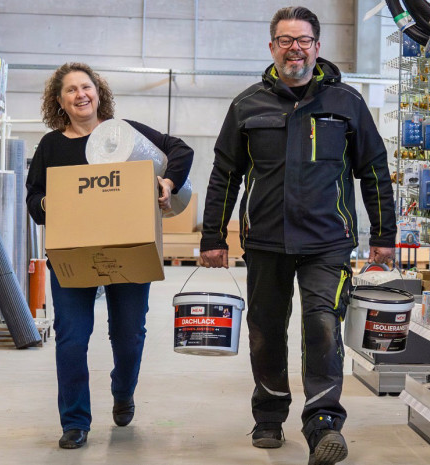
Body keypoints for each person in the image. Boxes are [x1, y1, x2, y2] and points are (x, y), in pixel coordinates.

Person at [199, 7, 396, 465]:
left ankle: (323, 422)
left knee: (322, 325)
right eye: (285, 40)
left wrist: (384, 234)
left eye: (303, 40)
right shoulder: (246, 105)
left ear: (317, 48)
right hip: (265, 241)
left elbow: (374, 169)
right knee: (266, 331)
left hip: (327, 242)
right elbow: (224, 175)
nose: (295, 48)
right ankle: (269, 414)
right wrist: (213, 236)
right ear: (272, 48)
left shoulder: (347, 103)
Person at [25, 62, 194, 449]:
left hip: (129, 248)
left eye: (86, 87)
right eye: (71, 90)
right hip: (73, 253)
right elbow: (33, 198)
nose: (80, 95)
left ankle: (123, 391)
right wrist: (50, 201)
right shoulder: (52, 146)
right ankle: (74, 422)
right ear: (59, 101)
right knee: (71, 338)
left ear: (99, 93)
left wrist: (167, 181)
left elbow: (180, 149)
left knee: (129, 335)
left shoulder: (123, 133)